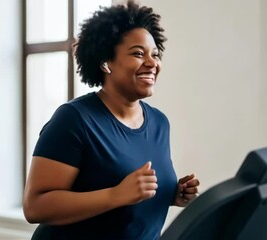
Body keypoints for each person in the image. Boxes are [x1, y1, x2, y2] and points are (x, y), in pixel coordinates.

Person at [23, 1, 200, 239]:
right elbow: (35, 206)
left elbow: (135, 200)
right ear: (106, 63)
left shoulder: (159, 123)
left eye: (155, 54)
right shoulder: (74, 119)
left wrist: (174, 195)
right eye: (138, 53)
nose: (152, 63)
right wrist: (115, 195)